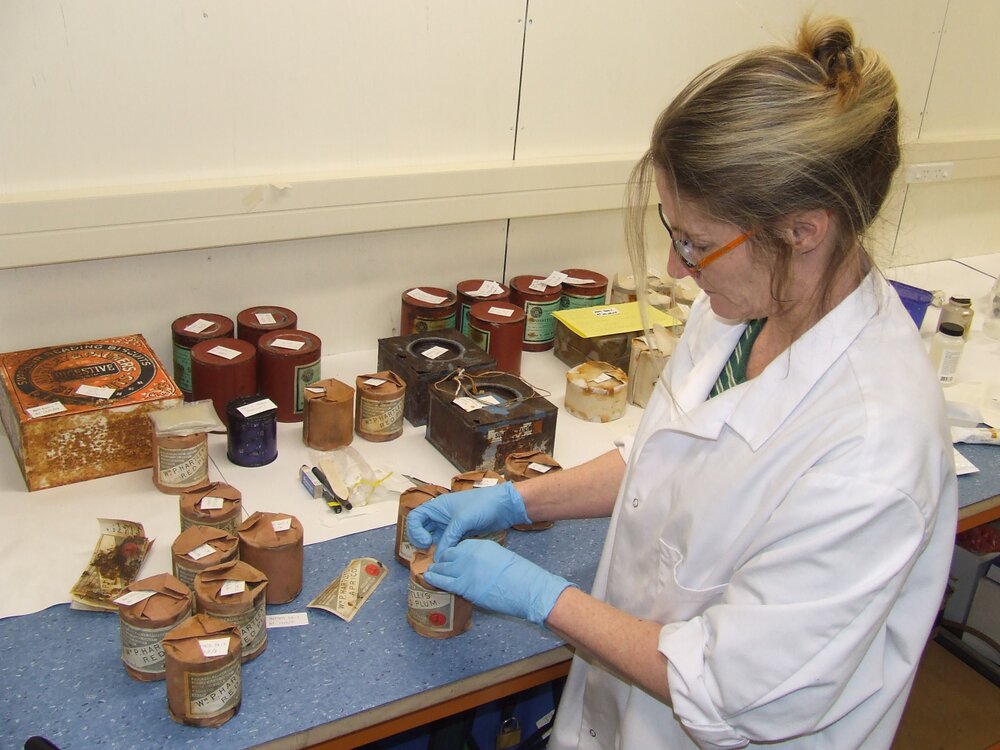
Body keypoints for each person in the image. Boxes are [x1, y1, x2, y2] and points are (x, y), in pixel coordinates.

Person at [407, 16, 957, 749]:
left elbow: (733, 691)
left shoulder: (873, 449)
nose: (674, 268)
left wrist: (542, 596)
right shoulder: (748, 305)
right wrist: (513, 500)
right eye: (675, 231)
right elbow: (666, 457)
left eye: (696, 242)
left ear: (803, 230)